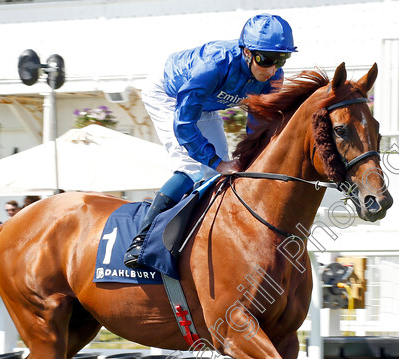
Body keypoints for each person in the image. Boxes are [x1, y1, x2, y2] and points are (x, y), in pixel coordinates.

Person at [124, 13, 297, 268]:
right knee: (193, 167)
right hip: (169, 94)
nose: (272, 69)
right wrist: (216, 161)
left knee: (219, 174)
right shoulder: (213, 64)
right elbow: (183, 124)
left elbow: (258, 128)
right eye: (267, 59)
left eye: (281, 59)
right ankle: (142, 241)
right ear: (247, 52)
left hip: (205, 103)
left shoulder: (272, 78)